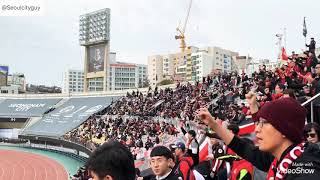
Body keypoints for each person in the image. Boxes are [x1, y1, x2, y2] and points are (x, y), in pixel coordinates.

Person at [197, 92, 320, 179]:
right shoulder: (277, 157)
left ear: (284, 129)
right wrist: (213, 124)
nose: (256, 129)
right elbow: (242, 147)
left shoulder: (307, 172)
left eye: (264, 123)